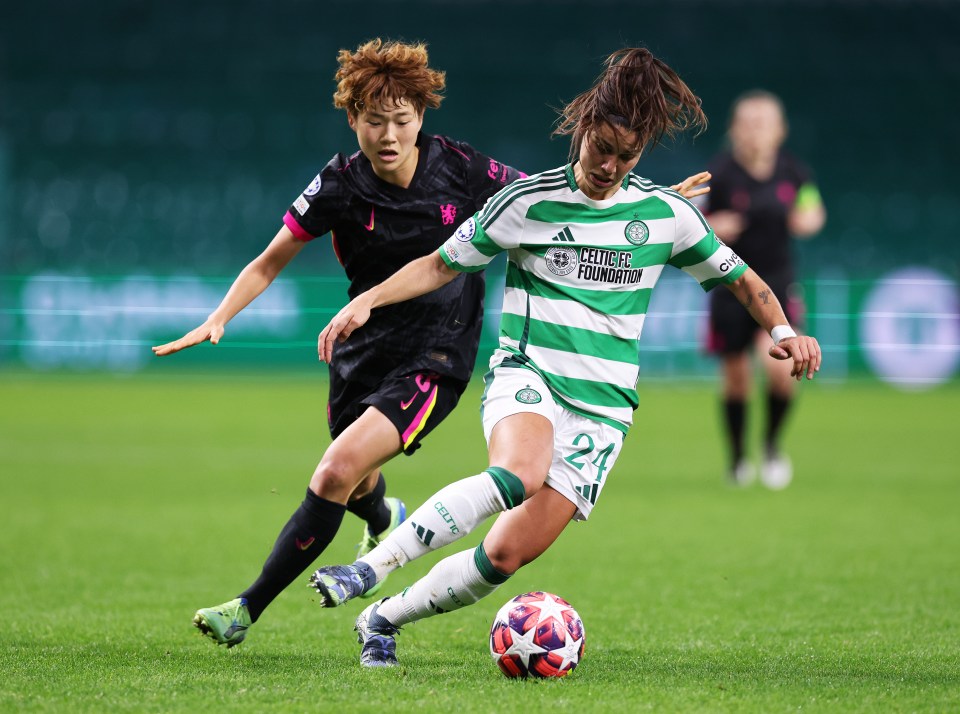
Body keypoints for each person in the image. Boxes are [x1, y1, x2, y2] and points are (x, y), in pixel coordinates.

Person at [150, 38, 707, 649]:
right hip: (362, 349)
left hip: (437, 357)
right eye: (374, 121)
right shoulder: (338, 184)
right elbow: (268, 261)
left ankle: (246, 609)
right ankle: (383, 516)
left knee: (335, 469)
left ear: (421, 118)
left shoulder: (463, 170)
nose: (389, 135)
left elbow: (556, 204)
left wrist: (648, 208)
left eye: (402, 121)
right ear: (352, 119)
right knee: (356, 483)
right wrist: (219, 315)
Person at [308, 47, 822, 668]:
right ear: (581, 130)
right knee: (517, 474)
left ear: (641, 156)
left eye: (625, 156)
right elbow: (439, 263)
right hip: (530, 377)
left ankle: (381, 617)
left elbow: (743, 280)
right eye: (599, 146)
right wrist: (368, 300)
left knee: (503, 555)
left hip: (603, 411)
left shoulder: (666, 216)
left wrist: (786, 328)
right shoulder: (527, 202)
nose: (607, 165)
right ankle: (368, 568)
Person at [705, 90, 826, 489]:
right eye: (748, 122)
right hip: (731, 286)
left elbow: (813, 211)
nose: (756, 131)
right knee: (736, 378)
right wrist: (717, 224)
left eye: (764, 122)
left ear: (780, 130)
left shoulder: (794, 172)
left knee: (779, 371)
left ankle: (772, 446)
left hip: (778, 284)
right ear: (735, 129)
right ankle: (738, 458)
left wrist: (805, 219)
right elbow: (696, 222)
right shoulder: (719, 174)